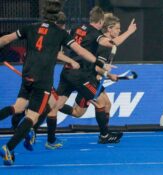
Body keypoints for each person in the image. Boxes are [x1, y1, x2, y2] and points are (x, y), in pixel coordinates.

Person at [0, 0, 108, 166]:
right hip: (42, 79)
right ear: (58, 17)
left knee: (20, 107)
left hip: (27, 74)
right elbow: (80, 51)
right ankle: (9, 147)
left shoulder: (30, 27)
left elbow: (6, 39)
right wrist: (98, 62)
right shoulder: (60, 33)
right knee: (32, 116)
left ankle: (29, 134)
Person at [47, 12, 137, 147]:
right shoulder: (97, 37)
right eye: (118, 28)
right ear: (104, 25)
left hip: (68, 70)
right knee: (101, 103)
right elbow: (102, 61)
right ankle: (104, 135)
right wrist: (129, 32)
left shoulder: (77, 28)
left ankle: (49, 136)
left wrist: (109, 75)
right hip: (82, 75)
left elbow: (64, 38)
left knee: (57, 105)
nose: (119, 31)